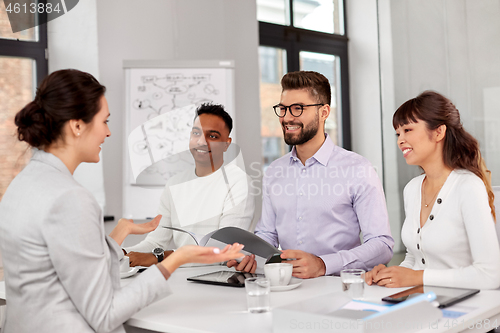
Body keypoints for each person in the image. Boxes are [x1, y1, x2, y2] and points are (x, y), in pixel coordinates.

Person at [0, 69, 245, 333]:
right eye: (104, 121)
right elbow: (105, 314)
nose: (108, 132)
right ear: (78, 125)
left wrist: (116, 238)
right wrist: (176, 259)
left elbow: (60, 267)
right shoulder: (70, 198)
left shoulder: (21, 184)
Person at [228, 71, 394, 278]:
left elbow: (382, 244)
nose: (287, 117)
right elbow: (268, 234)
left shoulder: (358, 169)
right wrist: (249, 256)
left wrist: (324, 264)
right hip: (286, 288)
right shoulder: (275, 171)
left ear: (324, 112)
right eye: (283, 108)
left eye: (298, 109)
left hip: (340, 289)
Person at [365, 91, 500, 289]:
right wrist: (391, 275)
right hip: (423, 303)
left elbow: (489, 275)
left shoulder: (468, 187)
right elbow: (415, 258)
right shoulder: (412, 189)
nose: (400, 140)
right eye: (398, 133)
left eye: (408, 130)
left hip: (465, 309)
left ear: (439, 132)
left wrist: (417, 278)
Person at [125, 103, 254, 267]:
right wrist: (121, 253)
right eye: (196, 133)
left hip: (219, 282)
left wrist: (162, 258)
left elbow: (223, 250)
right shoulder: (174, 184)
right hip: (180, 280)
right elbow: (155, 244)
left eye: (212, 136)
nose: (202, 141)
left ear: (227, 144)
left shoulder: (238, 182)